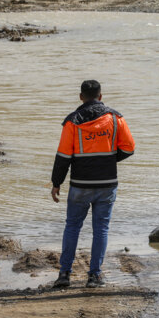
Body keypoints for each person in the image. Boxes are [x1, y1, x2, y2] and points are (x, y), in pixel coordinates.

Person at [51, 80, 135, 289]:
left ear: (81, 97)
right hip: (107, 184)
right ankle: (94, 276)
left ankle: (64, 274)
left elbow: (63, 156)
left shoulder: (72, 121)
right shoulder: (116, 119)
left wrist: (56, 183)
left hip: (80, 185)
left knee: (72, 227)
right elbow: (129, 148)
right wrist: (107, 161)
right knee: (101, 229)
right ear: (100, 96)